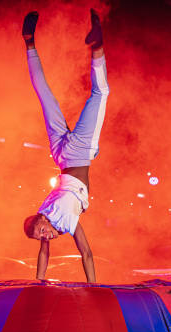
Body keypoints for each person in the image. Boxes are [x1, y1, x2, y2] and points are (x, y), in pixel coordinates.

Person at [22, 9, 109, 283]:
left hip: (79, 152)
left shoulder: (65, 222)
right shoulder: (48, 215)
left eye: (41, 230)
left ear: (41, 219)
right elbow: (44, 254)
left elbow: (87, 253)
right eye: (42, 236)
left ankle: (97, 47)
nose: (45, 236)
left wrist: (93, 287)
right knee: (44, 95)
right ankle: (29, 42)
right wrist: (38, 280)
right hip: (60, 155)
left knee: (101, 93)